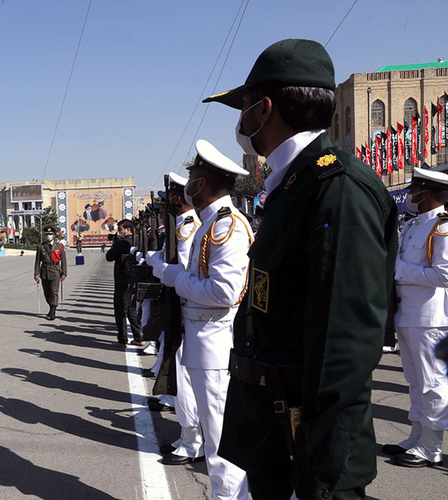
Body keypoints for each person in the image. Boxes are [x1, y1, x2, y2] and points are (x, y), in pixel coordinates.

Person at [204, 39, 398, 499]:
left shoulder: (336, 190)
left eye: (245, 106)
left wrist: (315, 475)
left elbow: (343, 350)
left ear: (265, 109)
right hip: (277, 436)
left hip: (306, 453)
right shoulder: (294, 184)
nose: (241, 119)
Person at [154, 140, 252, 499]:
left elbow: (225, 292)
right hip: (200, 337)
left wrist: (174, 277)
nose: (188, 184)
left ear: (204, 184)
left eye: (193, 177)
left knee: (220, 435)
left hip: (215, 342)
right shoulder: (210, 225)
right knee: (213, 434)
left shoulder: (228, 227)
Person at [382, 167, 448, 468]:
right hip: (407, 314)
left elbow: (443, 275)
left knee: (432, 383)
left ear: (429, 193)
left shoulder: (442, 227)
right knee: (414, 381)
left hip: (430, 319)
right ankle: (417, 436)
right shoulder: (411, 224)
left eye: (415, 190)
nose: (410, 194)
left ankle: (432, 447)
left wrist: (400, 273)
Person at [144, 172, 204, 467]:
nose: (165, 203)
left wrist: (155, 262)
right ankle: (188, 436)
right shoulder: (181, 226)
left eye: (168, 198)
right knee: (179, 372)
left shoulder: (189, 227)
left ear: (178, 198)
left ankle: (194, 440)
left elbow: (178, 268)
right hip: (181, 307)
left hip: (189, 310)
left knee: (185, 376)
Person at [105, 219, 144, 346]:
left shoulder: (122, 243)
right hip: (134, 279)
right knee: (131, 309)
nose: (118, 232)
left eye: (120, 229)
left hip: (122, 279)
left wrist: (115, 243)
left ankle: (122, 339)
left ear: (127, 229)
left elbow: (109, 257)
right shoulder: (138, 240)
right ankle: (139, 337)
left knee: (120, 309)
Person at [34, 227, 66, 321]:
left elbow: (63, 260)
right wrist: (36, 274)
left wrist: (64, 273)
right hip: (44, 271)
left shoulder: (59, 246)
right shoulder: (41, 246)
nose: (48, 236)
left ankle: (53, 311)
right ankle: (51, 306)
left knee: (54, 292)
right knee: (47, 293)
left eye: (50, 234)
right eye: (47, 234)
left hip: (55, 271)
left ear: (54, 235)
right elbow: (37, 261)